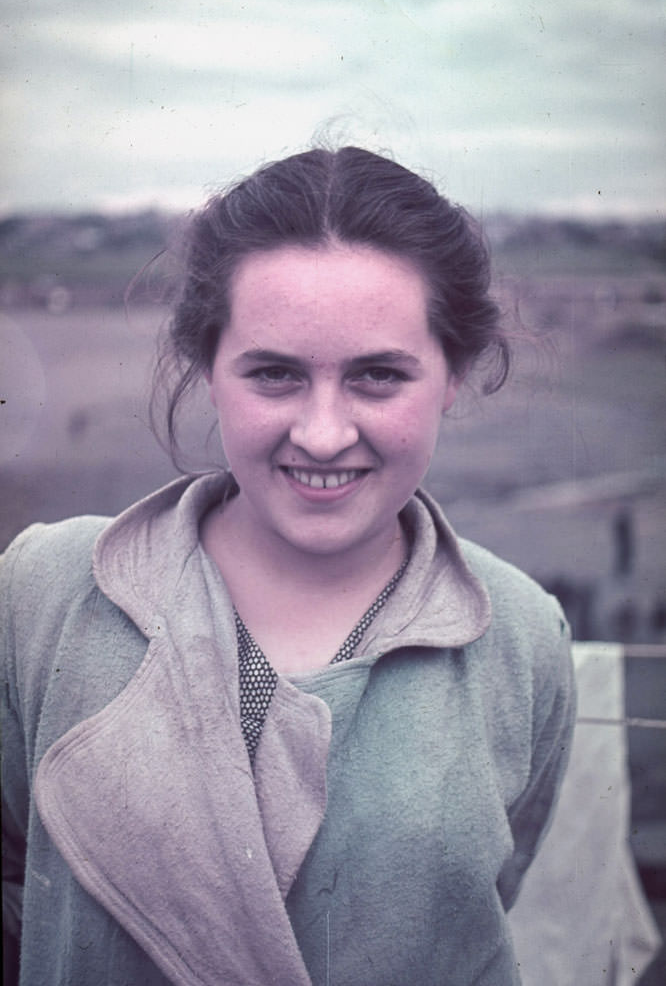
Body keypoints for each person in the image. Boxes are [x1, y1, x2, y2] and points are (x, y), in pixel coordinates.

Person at [1, 146, 575, 986]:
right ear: (207, 370)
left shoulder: (522, 635)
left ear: (453, 374)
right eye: (275, 374)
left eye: (378, 376)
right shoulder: (42, 595)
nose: (322, 433)